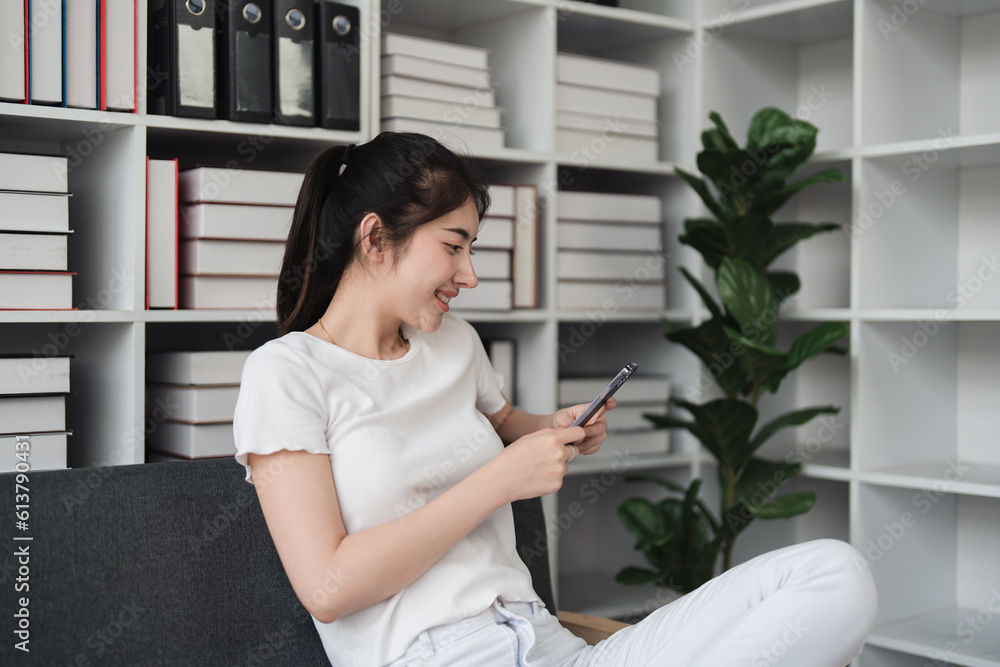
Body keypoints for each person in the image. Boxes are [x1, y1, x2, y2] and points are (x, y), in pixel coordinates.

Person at [233, 132, 877, 667]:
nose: (470, 274)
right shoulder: (286, 373)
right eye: (453, 246)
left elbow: (507, 425)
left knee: (835, 574)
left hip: (547, 644)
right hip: (435, 655)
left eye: (472, 249)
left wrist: (556, 428)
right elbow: (328, 587)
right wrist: (497, 482)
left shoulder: (455, 343)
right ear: (375, 238)